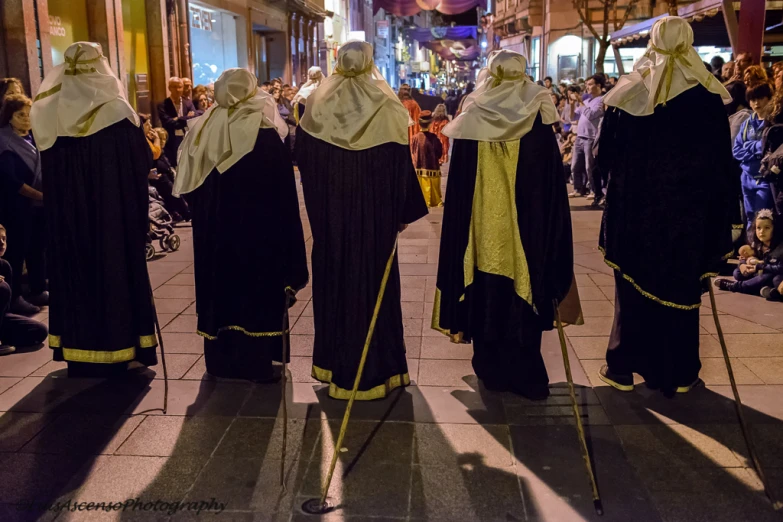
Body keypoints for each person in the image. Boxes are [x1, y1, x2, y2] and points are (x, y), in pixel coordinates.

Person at [596, 16, 735, 397]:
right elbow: (723, 165)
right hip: (687, 218)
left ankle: (622, 366)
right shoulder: (707, 97)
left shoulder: (628, 93)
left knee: (631, 289)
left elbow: (603, 156)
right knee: (681, 289)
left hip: (632, 215)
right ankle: (679, 371)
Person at [434, 49, 580, 400]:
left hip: (481, 238)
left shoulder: (474, 113)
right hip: (527, 238)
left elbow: (458, 189)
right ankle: (526, 373)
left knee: (486, 298)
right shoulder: (536, 116)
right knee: (524, 298)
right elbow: (550, 187)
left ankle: (491, 367)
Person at [297, 41, 428, 400]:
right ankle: (383, 369)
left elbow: (304, 161)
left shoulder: (317, 107)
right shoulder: (387, 106)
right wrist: (399, 213)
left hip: (333, 224)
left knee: (337, 286)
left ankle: (336, 366)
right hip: (376, 225)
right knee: (376, 289)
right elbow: (401, 165)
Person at [31, 41, 158, 376]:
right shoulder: (117, 113)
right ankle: (120, 349)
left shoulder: (50, 114)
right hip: (111, 219)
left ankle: (78, 352)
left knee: (75, 276)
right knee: (113, 274)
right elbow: (141, 164)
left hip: (68, 221)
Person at [173, 68, 307, 381]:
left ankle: (221, 362)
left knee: (221, 291)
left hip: (216, 236)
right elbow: (283, 193)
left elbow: (191, 185)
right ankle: (256, 362)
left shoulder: (204, 129)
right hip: (257, 236)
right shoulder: (265, 134)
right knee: (255, 292)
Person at [0, 94, 47, 315]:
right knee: (17, 250)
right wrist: (39, 195)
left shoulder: (35, 137)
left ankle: (37, 288)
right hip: (16, 206)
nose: (26, 119)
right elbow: (12, 181)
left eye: (29, 114)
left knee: (37, 247)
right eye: (20, 115)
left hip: (37, 206)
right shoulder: (5, 141)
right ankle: (15, 296)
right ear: (9, 117)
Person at [0, 225, 48, 356]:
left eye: (4, 239)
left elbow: (5, 311)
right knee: (2, 288)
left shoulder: (4, 266)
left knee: (40, 330)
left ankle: (4, 338)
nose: (1, 243)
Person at [734, 83, 775, 229]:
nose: (756, 103)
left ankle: (762, 250)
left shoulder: (773, 122)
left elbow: (769, 148)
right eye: (752, 99)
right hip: (746, 176)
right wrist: (757, 147)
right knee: (750, 216)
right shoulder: (747, 123)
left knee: (763, 216)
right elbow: (737, 151)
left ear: (769, 98)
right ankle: (751, 247)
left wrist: (750, 146)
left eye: (760, 98)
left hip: (764, 177)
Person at [716, 210, 782, 296]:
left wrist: (759, 266)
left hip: (774, 273)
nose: (761, 231)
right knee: (737, 273)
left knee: (770, 277)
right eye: (758, 228)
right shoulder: (757, 244)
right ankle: (767, 290)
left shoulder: (779, 247)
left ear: (774, 229)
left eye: (767, 228)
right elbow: (746, 258)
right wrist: (742, 265)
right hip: (760, 271)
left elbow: (779, 268)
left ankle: (736, 286)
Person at [569, 75, 605, 204]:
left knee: (589, 166)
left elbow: (591, 115)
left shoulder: (601, 100)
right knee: (575, 165)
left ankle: (593, 190)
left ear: (599, 85)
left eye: (590, 84)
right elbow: (573, 117)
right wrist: (572, 104)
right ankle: (578, 188)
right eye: (586, 84)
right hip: (580, 136)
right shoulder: (587, 100)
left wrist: (580, 101)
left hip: (591, 137)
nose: (587, 87)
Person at [157, 77, 197, 167]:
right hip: (171, 140)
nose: (177, 90)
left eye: (180, 87)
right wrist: (186, 118)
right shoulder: (163, 105)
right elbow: (168, 123)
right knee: (175, 164)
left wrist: (178, 119)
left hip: (187, 137)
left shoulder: (188, 103)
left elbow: (194, 118)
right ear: (169, 88)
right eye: (174, 87)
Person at [412, 110, 444, 208]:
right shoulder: (434, 138)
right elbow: (439, 152)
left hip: (419, 168)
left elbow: (412, 152)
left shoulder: (415, 138)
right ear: (430, 123)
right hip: (432, 167)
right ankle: (434, 200)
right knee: (434, 186)